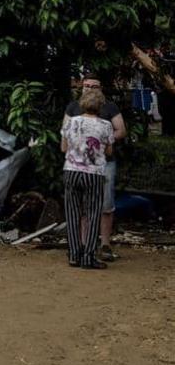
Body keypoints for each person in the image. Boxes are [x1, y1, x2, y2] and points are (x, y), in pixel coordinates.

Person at [63, 76, 126, 261]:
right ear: (81, 87)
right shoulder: (72, 107)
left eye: (93, 86)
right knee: (85, 208)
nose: (89, 88)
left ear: (101, 88)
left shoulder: (110, 108)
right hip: (85, 166)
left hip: (99, 164)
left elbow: (121, 130)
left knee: (103, 205)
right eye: (86, 86)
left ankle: (102, 245)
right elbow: (66, 134)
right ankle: (84, 248)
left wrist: (96, 139)